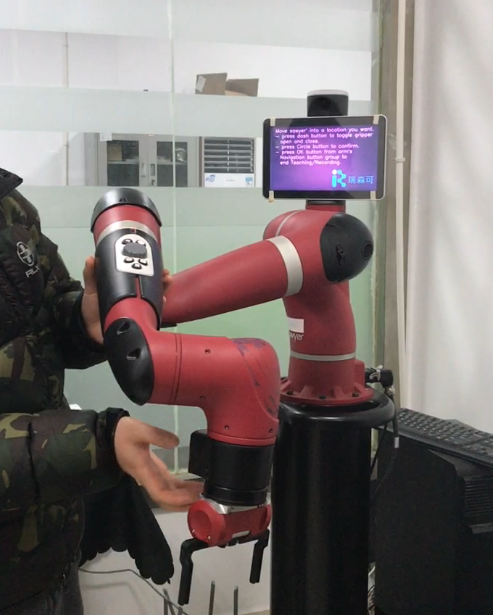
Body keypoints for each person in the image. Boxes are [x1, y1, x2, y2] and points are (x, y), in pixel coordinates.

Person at [0, 168, 202, 614]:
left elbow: (42, 321)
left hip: (51, 552)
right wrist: (96, 445)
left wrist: (86, 319)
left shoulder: (10, 207)